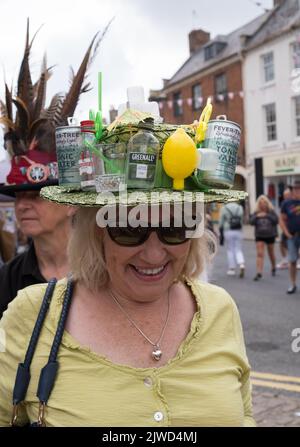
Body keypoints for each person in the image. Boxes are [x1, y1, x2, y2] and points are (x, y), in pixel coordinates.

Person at [0, 22, 103, 317]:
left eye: (37, 194)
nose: (23, 205)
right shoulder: (7, 280)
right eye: (18, 195)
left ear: (71, 202)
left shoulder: (107, 270)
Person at [250, 195, 278, 281]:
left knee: (271, 253)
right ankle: (259, 272)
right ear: (258, 204)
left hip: (270, 235)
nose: (262, 205)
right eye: (261, 203)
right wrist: (257, 216)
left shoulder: (271, 211)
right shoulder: (256, 212)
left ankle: (273, 267)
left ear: (267, 203)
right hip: (259, 235)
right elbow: (251, 222)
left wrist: (266, 215)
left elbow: (276, 220)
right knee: (260, 254)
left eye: (264, 203)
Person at [279, 181, 300, 294]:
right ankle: (292, 284)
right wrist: (286, 233)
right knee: (292, 261)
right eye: (295, 189)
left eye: (299, 188)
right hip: (292, 236)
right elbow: (281, 219)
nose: (297, 191)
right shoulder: (287, 203)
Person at [219, 201, 245, 277]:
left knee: (230, 249)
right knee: (238, 249)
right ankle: (241, 263)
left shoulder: (224, 208)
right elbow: (242, 219)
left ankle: (232, 268)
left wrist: (220, 229)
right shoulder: (240, 208)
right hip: (238, 229)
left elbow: (221, 221)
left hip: (228, 230)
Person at [277, 187, 292, 269]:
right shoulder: (284, 204)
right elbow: (282, 216)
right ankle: (285, 260)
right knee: (282, 243)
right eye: (284, 195)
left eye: (287, 195)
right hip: (286, 227)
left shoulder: (295, 202)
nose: (286, 197)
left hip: (295, 227)